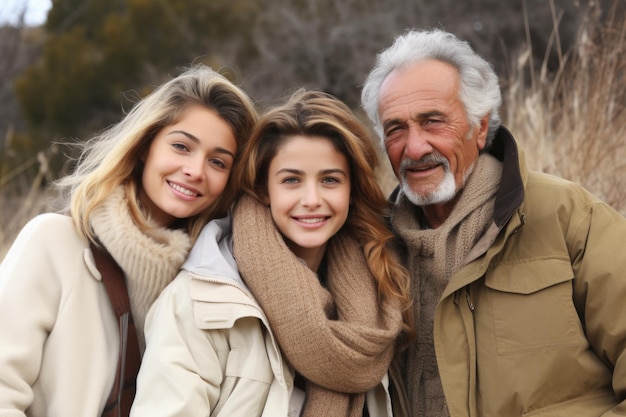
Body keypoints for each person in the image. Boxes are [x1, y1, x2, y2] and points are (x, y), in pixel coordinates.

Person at [360, 27, 626, 417]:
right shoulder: (372, 250)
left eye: (433, 121)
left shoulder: (565, 215)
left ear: (480, 127)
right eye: (396, 129)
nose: (414, 148)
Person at [130, 89, 414, 417]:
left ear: (352, 190)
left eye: (330, 180)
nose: (311, 199)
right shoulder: (200, 303)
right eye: (291, 180)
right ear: (265, 189)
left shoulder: (382, 292)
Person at [0, 64, 258, 417]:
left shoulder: (212, 280)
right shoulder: (53, 241)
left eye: (218, 161)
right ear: (143, 146)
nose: (196, 171)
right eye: (182, 146)